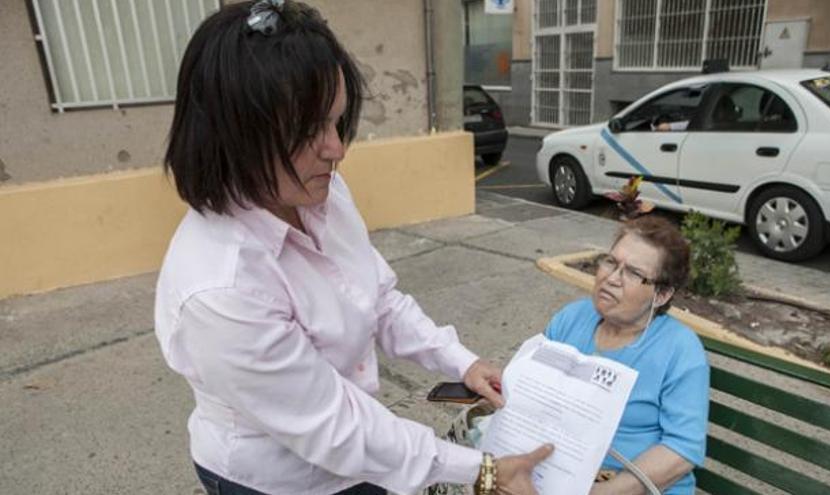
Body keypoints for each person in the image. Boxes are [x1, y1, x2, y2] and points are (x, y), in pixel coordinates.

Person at [154, 1, 552, 494]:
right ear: (233, 136)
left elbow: (379, 298)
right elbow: (334, 426)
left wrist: (459, 361)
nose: (336, 149)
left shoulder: (322, 192)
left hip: (359, 453)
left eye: (337, 122)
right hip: (277, 478)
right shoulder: (222, 288)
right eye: (306, 131)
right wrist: (483, 471)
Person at [544, 216, 709, 494]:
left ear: (662, 294)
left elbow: (682, 449)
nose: (611, 278)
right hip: (560, 474)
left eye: (633, 273)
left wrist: (604, 492)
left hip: (630, 486)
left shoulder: (680, 350)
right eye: (611, 262)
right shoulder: (571, 318)